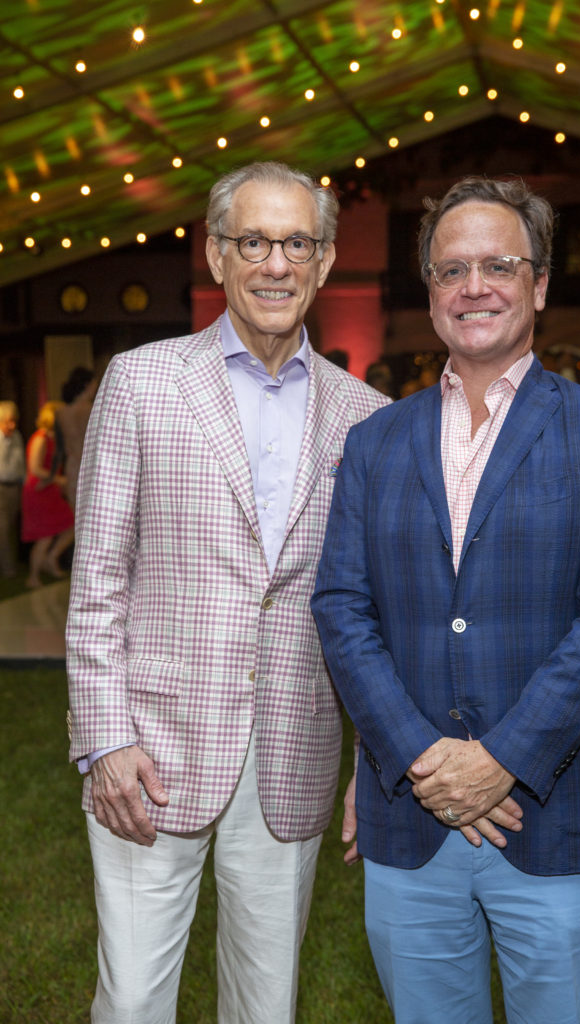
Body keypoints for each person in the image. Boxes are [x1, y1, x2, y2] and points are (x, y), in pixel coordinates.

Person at [311, 175, 580, 1024]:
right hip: (412, 820)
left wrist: (499, 759)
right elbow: (341, 608)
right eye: (449, 269)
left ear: (539, 284)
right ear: (429, 292)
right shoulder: (373, 442)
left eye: (498, 265)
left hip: (558, 816)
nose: (473, 287)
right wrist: (425, 762)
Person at [66, 160, 388, 1024]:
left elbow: (370, 611)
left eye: (296, 243)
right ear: (216, 255)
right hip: (150, 755)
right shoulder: (140, 383)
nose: (275, 264)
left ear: (323, 263)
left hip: (293, 749)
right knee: (132, 999)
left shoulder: (366, 416)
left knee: (266, 1003)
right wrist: (104, 740)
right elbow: (96, 578)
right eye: (253, 241)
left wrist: (376, 757)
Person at [21, 400, 74, 588]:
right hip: (38, 491)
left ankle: (51, 558)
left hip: (49, 489)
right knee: (45, 535)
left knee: (69, 524)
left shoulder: (54, 438)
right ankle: (33, 577)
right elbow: (35, 468)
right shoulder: (40, 438)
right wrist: (58, 479)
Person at [57, 366, 97, 507]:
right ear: (87, 385)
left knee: (77, 513)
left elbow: (59, 447)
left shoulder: (62, 412)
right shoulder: (92, 409)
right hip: (91, 466)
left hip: (72, 466)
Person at [0, 400, 25, 578]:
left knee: (12, 527)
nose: (12, 424)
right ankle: (8, 570)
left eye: (13, 420)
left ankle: (12, 564)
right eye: (8, 421)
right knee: (3, 528)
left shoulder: (17, 437)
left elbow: (20, 464)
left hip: (15, 487)